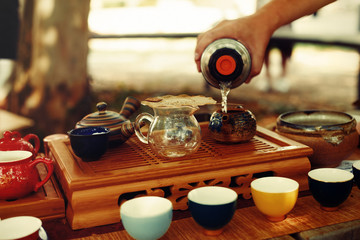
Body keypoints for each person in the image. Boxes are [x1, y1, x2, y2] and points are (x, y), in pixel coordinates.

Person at [194, 0, 336, 84]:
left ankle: (282, 77)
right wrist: (262, 20)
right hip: (267, 21)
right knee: (265, 51)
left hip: (283, 25)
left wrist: (263, 19)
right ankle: (268, 77)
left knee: (284, 50)